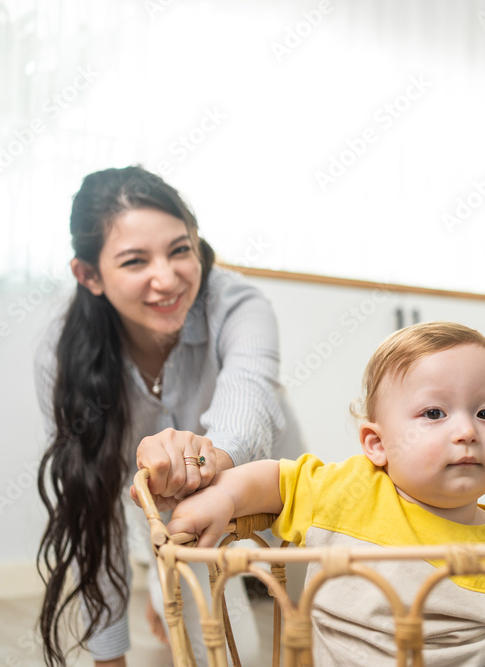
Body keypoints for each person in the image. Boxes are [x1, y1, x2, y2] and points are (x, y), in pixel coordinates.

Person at [167, 322, 485, 667]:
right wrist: (223, 498)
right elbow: (277, 481)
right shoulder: (350, 491)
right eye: (434, 413)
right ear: (376, 443)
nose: (466, 431)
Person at [35, 166, 300, 667]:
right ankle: (164, 590)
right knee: (205, 617)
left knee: (308, 607)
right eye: (135, 261)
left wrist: (207, 459)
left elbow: (249, 395)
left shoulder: (239, 302)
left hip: (270, 475)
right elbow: (92, 512)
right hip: (171, 507)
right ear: (88, 275)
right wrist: (108, 657)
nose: (167, 277)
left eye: (181, 249)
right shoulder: (63, 354)